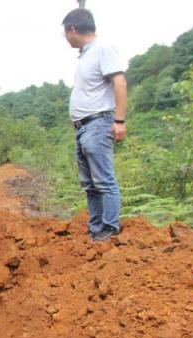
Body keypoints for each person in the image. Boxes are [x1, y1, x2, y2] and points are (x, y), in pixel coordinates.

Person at [63, 8, 127, 241]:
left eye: (65, 33)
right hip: (83, 128)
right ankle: (96, 229)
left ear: (72, 29)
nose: (65, 38)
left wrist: (119, 121)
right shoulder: (87, 55)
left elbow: (119, 82)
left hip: (98, 123)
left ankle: (109, 229)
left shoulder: (103, 50)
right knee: (90, 184)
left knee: (104, 181)